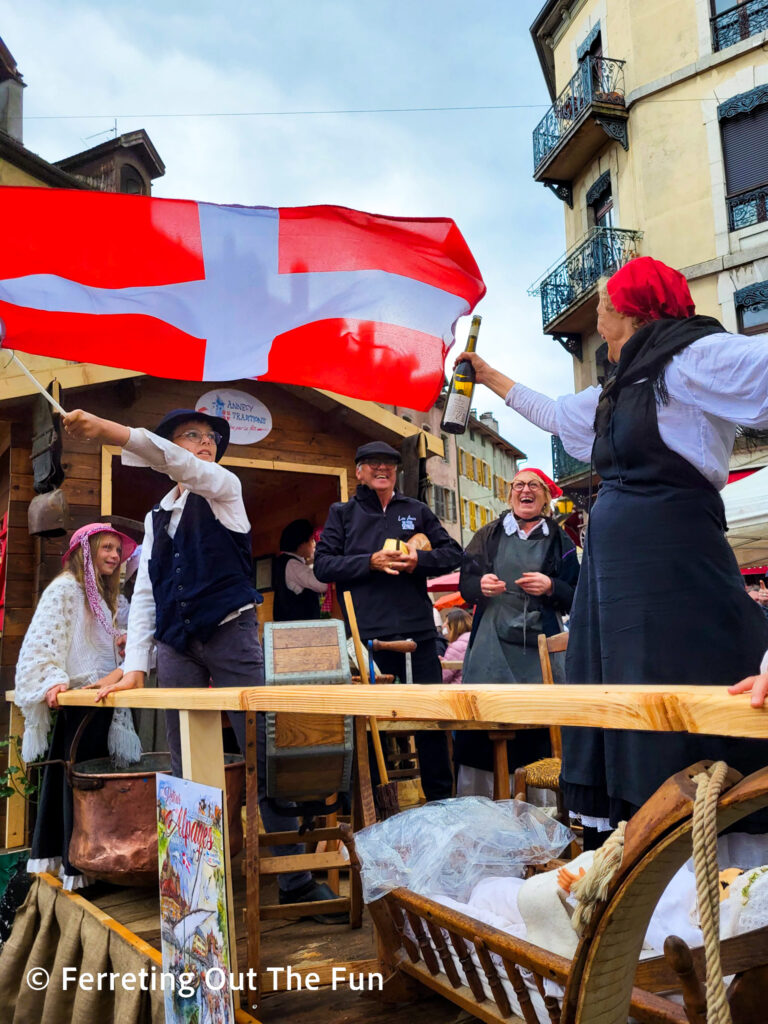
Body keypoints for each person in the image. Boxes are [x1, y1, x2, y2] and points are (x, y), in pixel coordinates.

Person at [455, 256, 768, 845]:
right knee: (623, 689)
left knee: (678, 677)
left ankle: (704, 828)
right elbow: (551, 413)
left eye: (602, 305)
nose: (596, 316)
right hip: (620, 570)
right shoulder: (623, 386)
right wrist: (487, 373)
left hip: (673, 558)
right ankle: (637, 825)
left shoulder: (690, 356)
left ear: (626, 310)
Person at [61, 407, 345, 919]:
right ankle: (194, 881)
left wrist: (111, 432)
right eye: (192, 435)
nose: (206, 443)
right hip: (176, 644)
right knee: (183, 759)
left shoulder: (224, 487)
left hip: (230, 633)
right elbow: (146, 592)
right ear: (171, 443)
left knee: (263, 747)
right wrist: (136, 665)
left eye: (212, 436)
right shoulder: (154, 518)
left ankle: (297, 882)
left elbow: (185, 467)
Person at [314, 440, 463, 801]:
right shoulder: (343, 513)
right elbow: (323, 565)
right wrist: (370, 562)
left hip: (419, 632)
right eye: (374, 463)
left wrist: (418, 562)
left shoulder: (416, 509)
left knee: (430, 720)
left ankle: (441, 803)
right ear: (359, 471)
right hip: (367, 635)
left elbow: (452, 554)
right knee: (368, 726)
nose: (382, 469)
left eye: (390, 465)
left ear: (397, 472)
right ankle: (370, 806)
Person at [15, 523, 141, 889]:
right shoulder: (67, 590)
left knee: (95, 787)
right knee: (80, 787)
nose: (115, 556)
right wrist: (52, 677)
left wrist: (122, 643)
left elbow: (114, 639)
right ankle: (77, 869)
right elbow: (40, 642)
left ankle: (96, 866)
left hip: (104, 698)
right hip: (80, 702)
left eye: (118, 550)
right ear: (85, 551)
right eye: (107, 548)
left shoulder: (106, 598)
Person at [454, 468, 578, 794]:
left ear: (545, 497)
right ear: (510, 495)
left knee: (538, 721)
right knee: (485, 716)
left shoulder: (560, 540)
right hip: (490, 644)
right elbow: (465, 584)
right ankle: (481, 800)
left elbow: (576, 591)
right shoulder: (488, 535)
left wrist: (551, 585)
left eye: (533, 485)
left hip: (539, 646)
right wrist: (480, 585)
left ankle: (539, 799)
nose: (526, 490)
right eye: (519, 485)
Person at [273, 518, 327, 621]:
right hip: (298, 630)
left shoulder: (285, 562)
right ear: (301, 544)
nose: (314, 544)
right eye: (311, 540)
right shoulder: (292, 564)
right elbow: (321, 585)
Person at [440, 608, 473, 684]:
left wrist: (440, 665)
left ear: (453, 626)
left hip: (458, 691)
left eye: (446, 622)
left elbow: (443, 677)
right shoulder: (476, 639)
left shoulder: (457, 647)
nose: (443, 626)